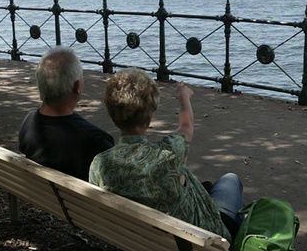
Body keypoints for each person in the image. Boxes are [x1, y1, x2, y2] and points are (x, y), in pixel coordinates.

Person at [89, 68, 244, 242]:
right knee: (230, 180)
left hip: (135, 239)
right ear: (149, 117)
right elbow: (187, 127)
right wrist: (184, 98)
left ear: (112, 114)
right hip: (202, 239)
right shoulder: (168, 155)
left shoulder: (99, 164)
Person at [19, 46, 115, 181]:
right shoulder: (96, 141)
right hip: (77, 202)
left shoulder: (28, 123)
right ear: (77, 87)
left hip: (40, 195)